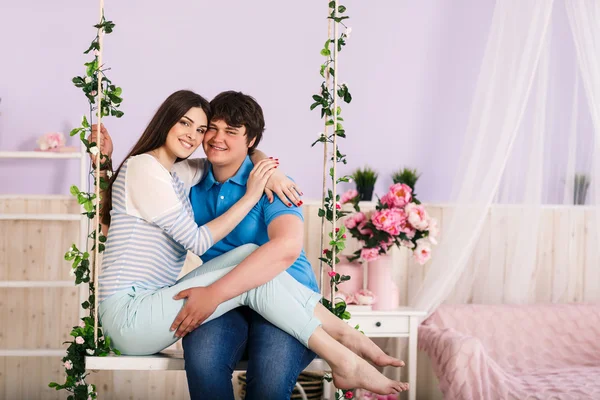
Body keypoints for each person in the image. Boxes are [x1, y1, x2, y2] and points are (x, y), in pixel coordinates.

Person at [95, 90, 409, 399]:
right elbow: (148, 213)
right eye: (193, 125)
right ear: (166, 122)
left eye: (201, 128)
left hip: (276, 298)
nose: (202, 136)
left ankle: (343, 339)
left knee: (252, 259)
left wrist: (264, 168)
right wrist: (250, 194)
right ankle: (343, 345)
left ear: (250, 142)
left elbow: (284, 248)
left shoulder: (253, 184)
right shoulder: (172, 173)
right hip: (146, 310)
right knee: (209, 353)